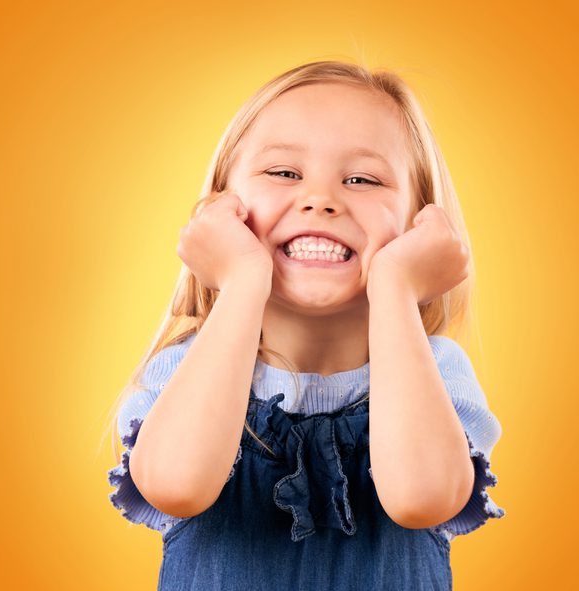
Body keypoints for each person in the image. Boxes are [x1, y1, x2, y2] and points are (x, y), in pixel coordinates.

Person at [106, 59, 505, 590]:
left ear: (419, 224)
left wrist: (395, 287)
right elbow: (176, 486)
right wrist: (244, 280)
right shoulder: (185, 368)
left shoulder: (436, 372)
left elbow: (421, 499)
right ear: (224, 208)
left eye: (362, 179)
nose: (321, 200)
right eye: (283, 173)